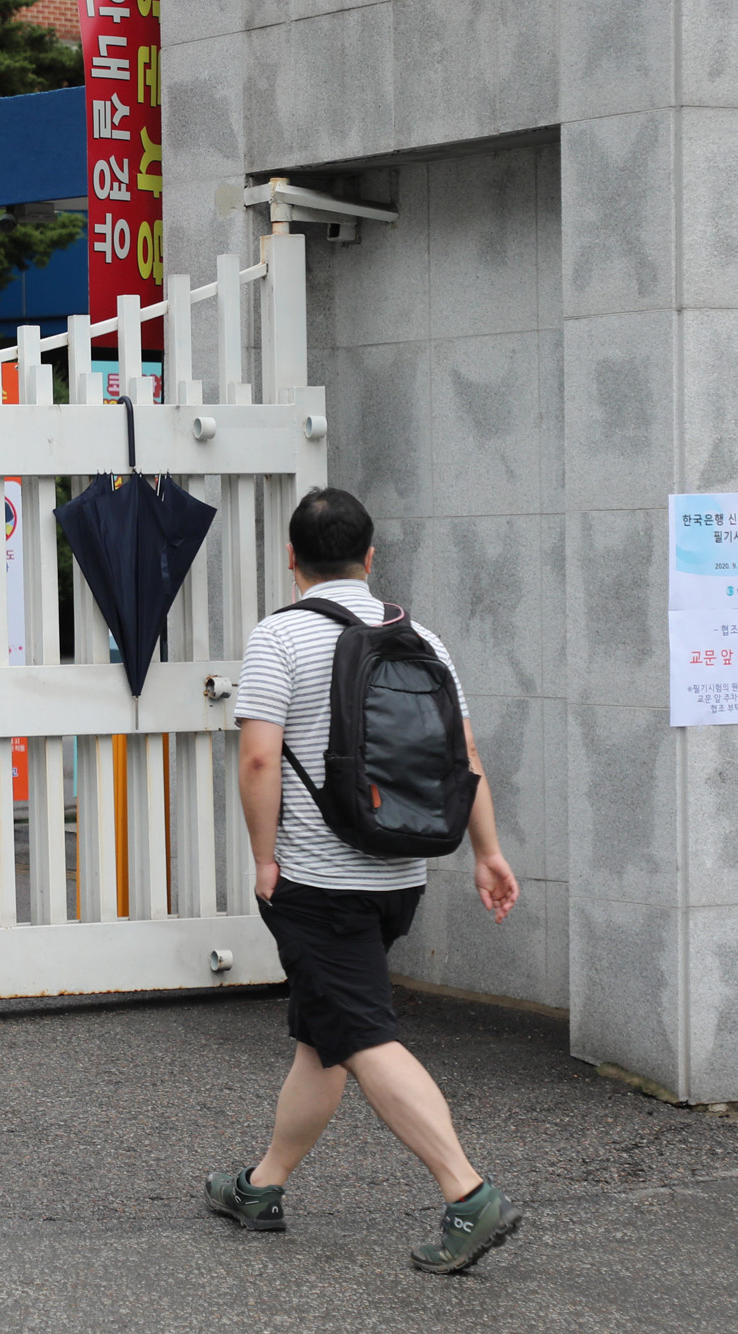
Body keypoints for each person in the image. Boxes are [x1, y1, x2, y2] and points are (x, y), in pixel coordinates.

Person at [205, 487, 525, 1274]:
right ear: (370, 557)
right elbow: (466, 758)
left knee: (362, 1033)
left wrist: (262, 856)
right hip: (399, 872)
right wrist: (487, 851)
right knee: (324, 1037)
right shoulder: (420, 637)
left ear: (292, 559)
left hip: (318, 880)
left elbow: (256, 757)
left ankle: (467, 1193)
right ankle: (260, 1187)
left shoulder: (280, 636)